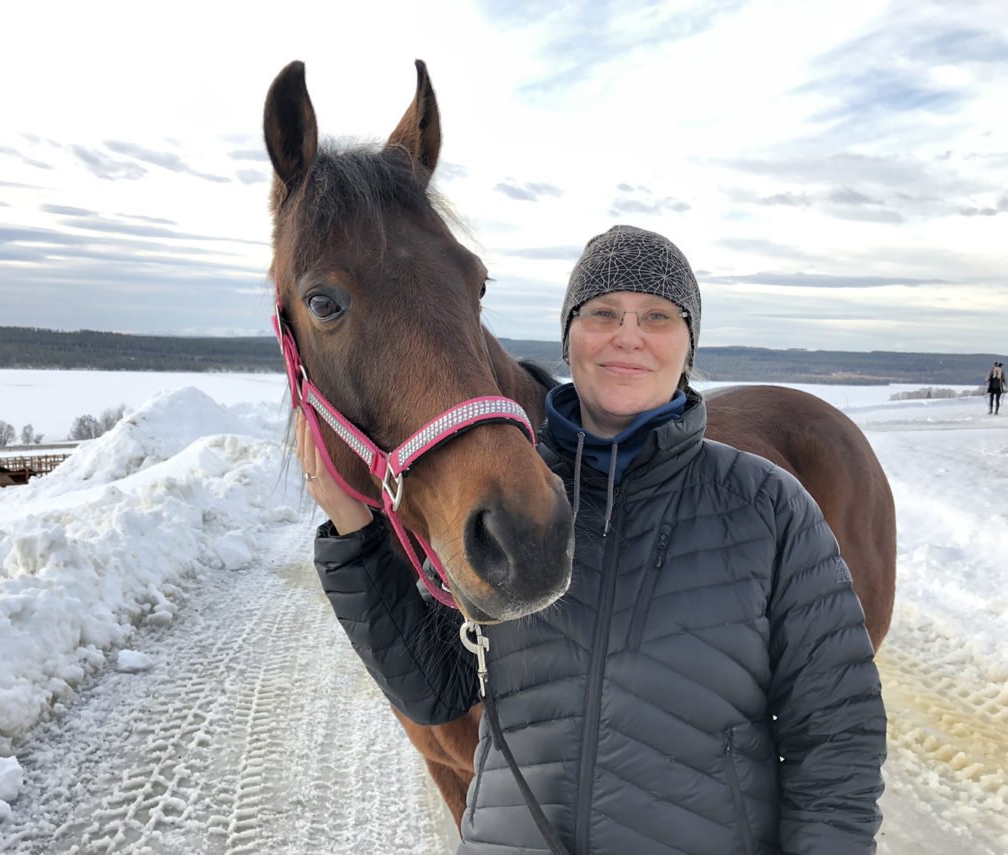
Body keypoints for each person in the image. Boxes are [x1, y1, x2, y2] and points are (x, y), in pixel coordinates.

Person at [296, 225, 886, 854]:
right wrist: (353, 531)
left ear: (689, 344)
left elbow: (837, 732)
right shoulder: (506, 506)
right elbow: (438, 698)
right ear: (570, 336)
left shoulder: (769, 506)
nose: (627, 335)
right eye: (602, 312)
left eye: (658, 315)